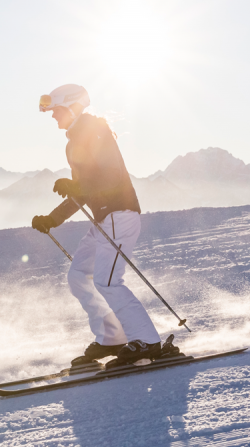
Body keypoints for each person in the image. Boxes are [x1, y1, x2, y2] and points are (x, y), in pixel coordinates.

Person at [31, 84, 163, 366]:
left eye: (55, 111)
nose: (53, 117)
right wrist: (51, 220)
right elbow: (80, 193)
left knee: (107, 281)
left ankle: (148, 341)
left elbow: (112, 177)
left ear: (71, 107)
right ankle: (112, 337)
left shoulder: (96, 132)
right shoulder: (74, 142)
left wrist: (76, 184)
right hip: (105, 219)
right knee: (78, 275)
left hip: (120, 215)